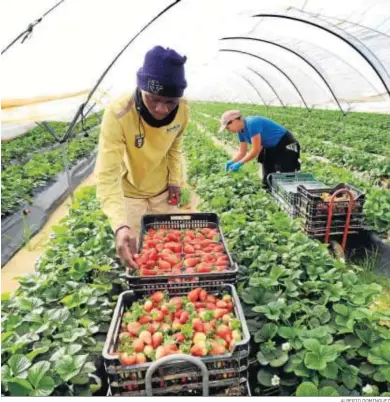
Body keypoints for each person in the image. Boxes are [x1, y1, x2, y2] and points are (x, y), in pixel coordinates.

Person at [95, 46, 189, 270]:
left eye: (170, 102)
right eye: (153, 99)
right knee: (136, 256)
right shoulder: (119, 113)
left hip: (163, 191)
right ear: (141, 89)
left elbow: (174, 146)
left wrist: (174, 179)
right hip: (131, 194)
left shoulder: (183, 109)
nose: (161, 108)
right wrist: (119, 225)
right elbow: (107, 174)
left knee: (171, 248)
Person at [219, 110, 300, 188]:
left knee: (286, 173)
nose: (228, 130)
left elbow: (255, 150)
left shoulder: (252, 123)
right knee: (267, 172)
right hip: (270, 146)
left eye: (228, 127)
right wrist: (232, 161)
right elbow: (242, 152)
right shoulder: (240, 132)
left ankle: (292, 196)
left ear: (235, 120)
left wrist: (240, 163)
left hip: (285, 143)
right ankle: (268, 193)